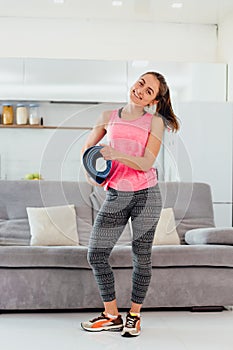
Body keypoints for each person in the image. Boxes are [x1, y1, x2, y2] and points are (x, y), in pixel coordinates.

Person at [80, 71, 179, 337]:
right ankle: (111, 315)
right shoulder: (106, 117)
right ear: (134, 83)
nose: (141, 90)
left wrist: (117, 154)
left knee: (141, 256)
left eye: (149, 91)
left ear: (153, 100)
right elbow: (87, 151)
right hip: (116, 194)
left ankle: (134, 316)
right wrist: (93, 175)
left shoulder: (154, 122)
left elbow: (146, 162)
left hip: (146, 195)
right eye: (141, 83)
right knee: (96, 253)